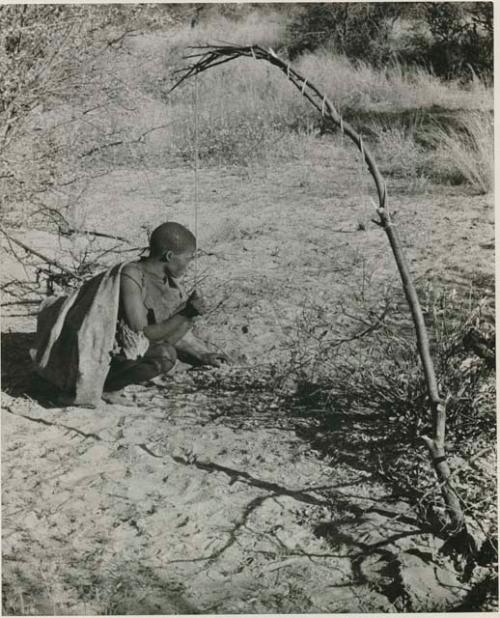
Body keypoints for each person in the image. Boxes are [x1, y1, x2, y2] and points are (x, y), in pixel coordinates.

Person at [105, 221, 228, 392]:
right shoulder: (132, 275)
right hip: (100, 354)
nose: (189, 264)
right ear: (169, 256)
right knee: (165, 356)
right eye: (187, 258)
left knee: (167, 349)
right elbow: (141, 336)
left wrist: (202, 355)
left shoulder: (169, 285)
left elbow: (167, 334)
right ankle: (107, 388)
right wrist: (184, 314)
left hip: (125, 352)